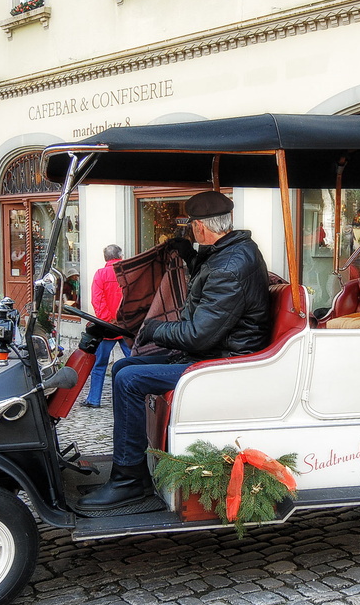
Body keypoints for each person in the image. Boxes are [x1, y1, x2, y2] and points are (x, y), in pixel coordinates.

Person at [78, 191, 270, 510]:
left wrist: (153, 327)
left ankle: (129, 481)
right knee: (125, 368)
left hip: (224, 363)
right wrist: (190, 256)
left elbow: (197, 335)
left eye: (190, 227)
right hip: (215, 352)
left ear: (198, 227)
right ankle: (135, 465)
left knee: (128, 380)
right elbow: (210, 296)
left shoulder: (231, 264)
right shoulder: (230, 252)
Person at [80, 245, 131, 409]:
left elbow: (97, 300)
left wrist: (108, 319)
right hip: (126, 325)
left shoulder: (100, 274)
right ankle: (143, 397)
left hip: (107, 327)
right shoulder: (127, 272)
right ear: (121, 256)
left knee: (100, 365)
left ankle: (94, 399)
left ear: (105, 258)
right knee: (136, 361)